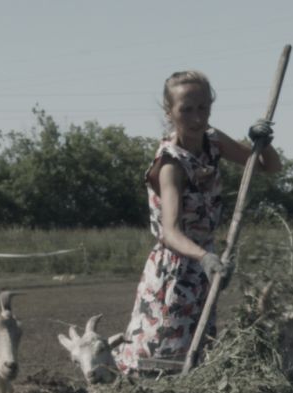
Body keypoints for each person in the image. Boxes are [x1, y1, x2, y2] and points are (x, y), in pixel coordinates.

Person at [114, 69, 281, 375]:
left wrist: (263, 142)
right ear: (169, 112)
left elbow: (267, 166)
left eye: (203, 108)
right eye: (186, 110)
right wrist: (205, 258)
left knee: (198, 353)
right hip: (175, 271)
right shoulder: (171, 163)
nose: (196, 118)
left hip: (205, 267)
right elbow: (170, 232)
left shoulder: (212, 141)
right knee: (162, 351)